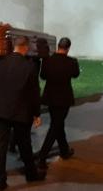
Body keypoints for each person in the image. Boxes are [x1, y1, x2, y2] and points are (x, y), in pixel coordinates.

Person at [0, 36, 46, 190]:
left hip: (0, 111)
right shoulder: (29, 67)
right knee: (25, 145)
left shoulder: (0, 62)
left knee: (0, 147)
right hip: (21, 111)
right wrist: (36, 114)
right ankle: (31, 175)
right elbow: (34, 93)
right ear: (24, 47)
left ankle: (0, 182)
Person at [37, 37, 80, 169]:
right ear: (68, 48)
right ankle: (42, 156)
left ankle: (64, 150)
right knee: (56, 126)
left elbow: (43, 76)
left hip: (50, 98)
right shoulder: (72, 62)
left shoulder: (47, 60)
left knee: (58, 124)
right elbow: (76, 74)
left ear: (58, 46)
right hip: (64, 98)